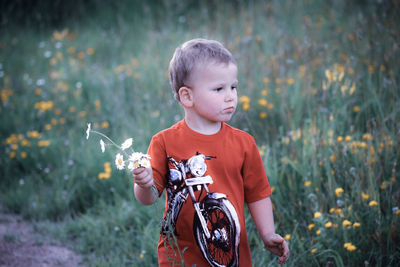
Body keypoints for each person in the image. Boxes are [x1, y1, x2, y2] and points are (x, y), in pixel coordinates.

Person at [132, 38, 289, 266]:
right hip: (178, 257)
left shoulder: (244, 143)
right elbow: (149, 198)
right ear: (187, 96)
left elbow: (258, 193)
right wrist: (144, 183)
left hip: (232, 256)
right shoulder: (163, 142)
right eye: (218, 89)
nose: (230, 96)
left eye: (233, 87)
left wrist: (267, 234)